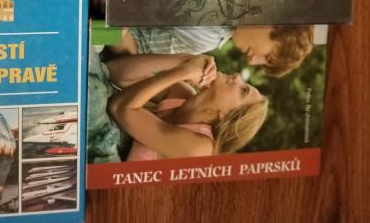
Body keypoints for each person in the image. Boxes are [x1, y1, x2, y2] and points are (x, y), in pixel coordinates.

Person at [106, 54, 268, 159]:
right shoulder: (182, 95)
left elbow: (119, 107)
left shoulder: (199, 148)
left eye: (243, 90)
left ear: (226, 115)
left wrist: (183, 72)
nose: (238, 76)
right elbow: (117, 73)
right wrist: (185, 61)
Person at [104, 24, 314, 78]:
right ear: (276, 26)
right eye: (267, 56)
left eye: (263, 62)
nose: (252, 61)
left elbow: (132, 52)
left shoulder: (210, 39)